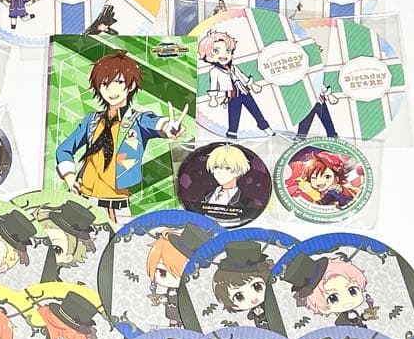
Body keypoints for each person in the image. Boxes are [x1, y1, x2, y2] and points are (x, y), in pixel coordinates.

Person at [54, 52, 187, 222]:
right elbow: (64, 150)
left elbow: (157, 124)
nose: (111, 90)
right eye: (104, 83)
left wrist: (171, 127)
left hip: (116, 208)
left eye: (119, 82)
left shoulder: (138, 121)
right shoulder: (92, 121)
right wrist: (70, 178)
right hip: (83, 202)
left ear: (131, 86)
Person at [200, 30, 274, 138]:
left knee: (255, 110)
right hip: (232, 95)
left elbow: (242, 76)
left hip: (244, 91)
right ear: (208, 56)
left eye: (227, 50)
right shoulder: (215, 71)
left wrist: (252, 85)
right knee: (234, 114)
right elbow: (213, 85)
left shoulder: (233, 67)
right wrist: (213, 98)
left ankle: (266, 128)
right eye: (216, 51)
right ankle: (232, 133)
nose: (223, 55)